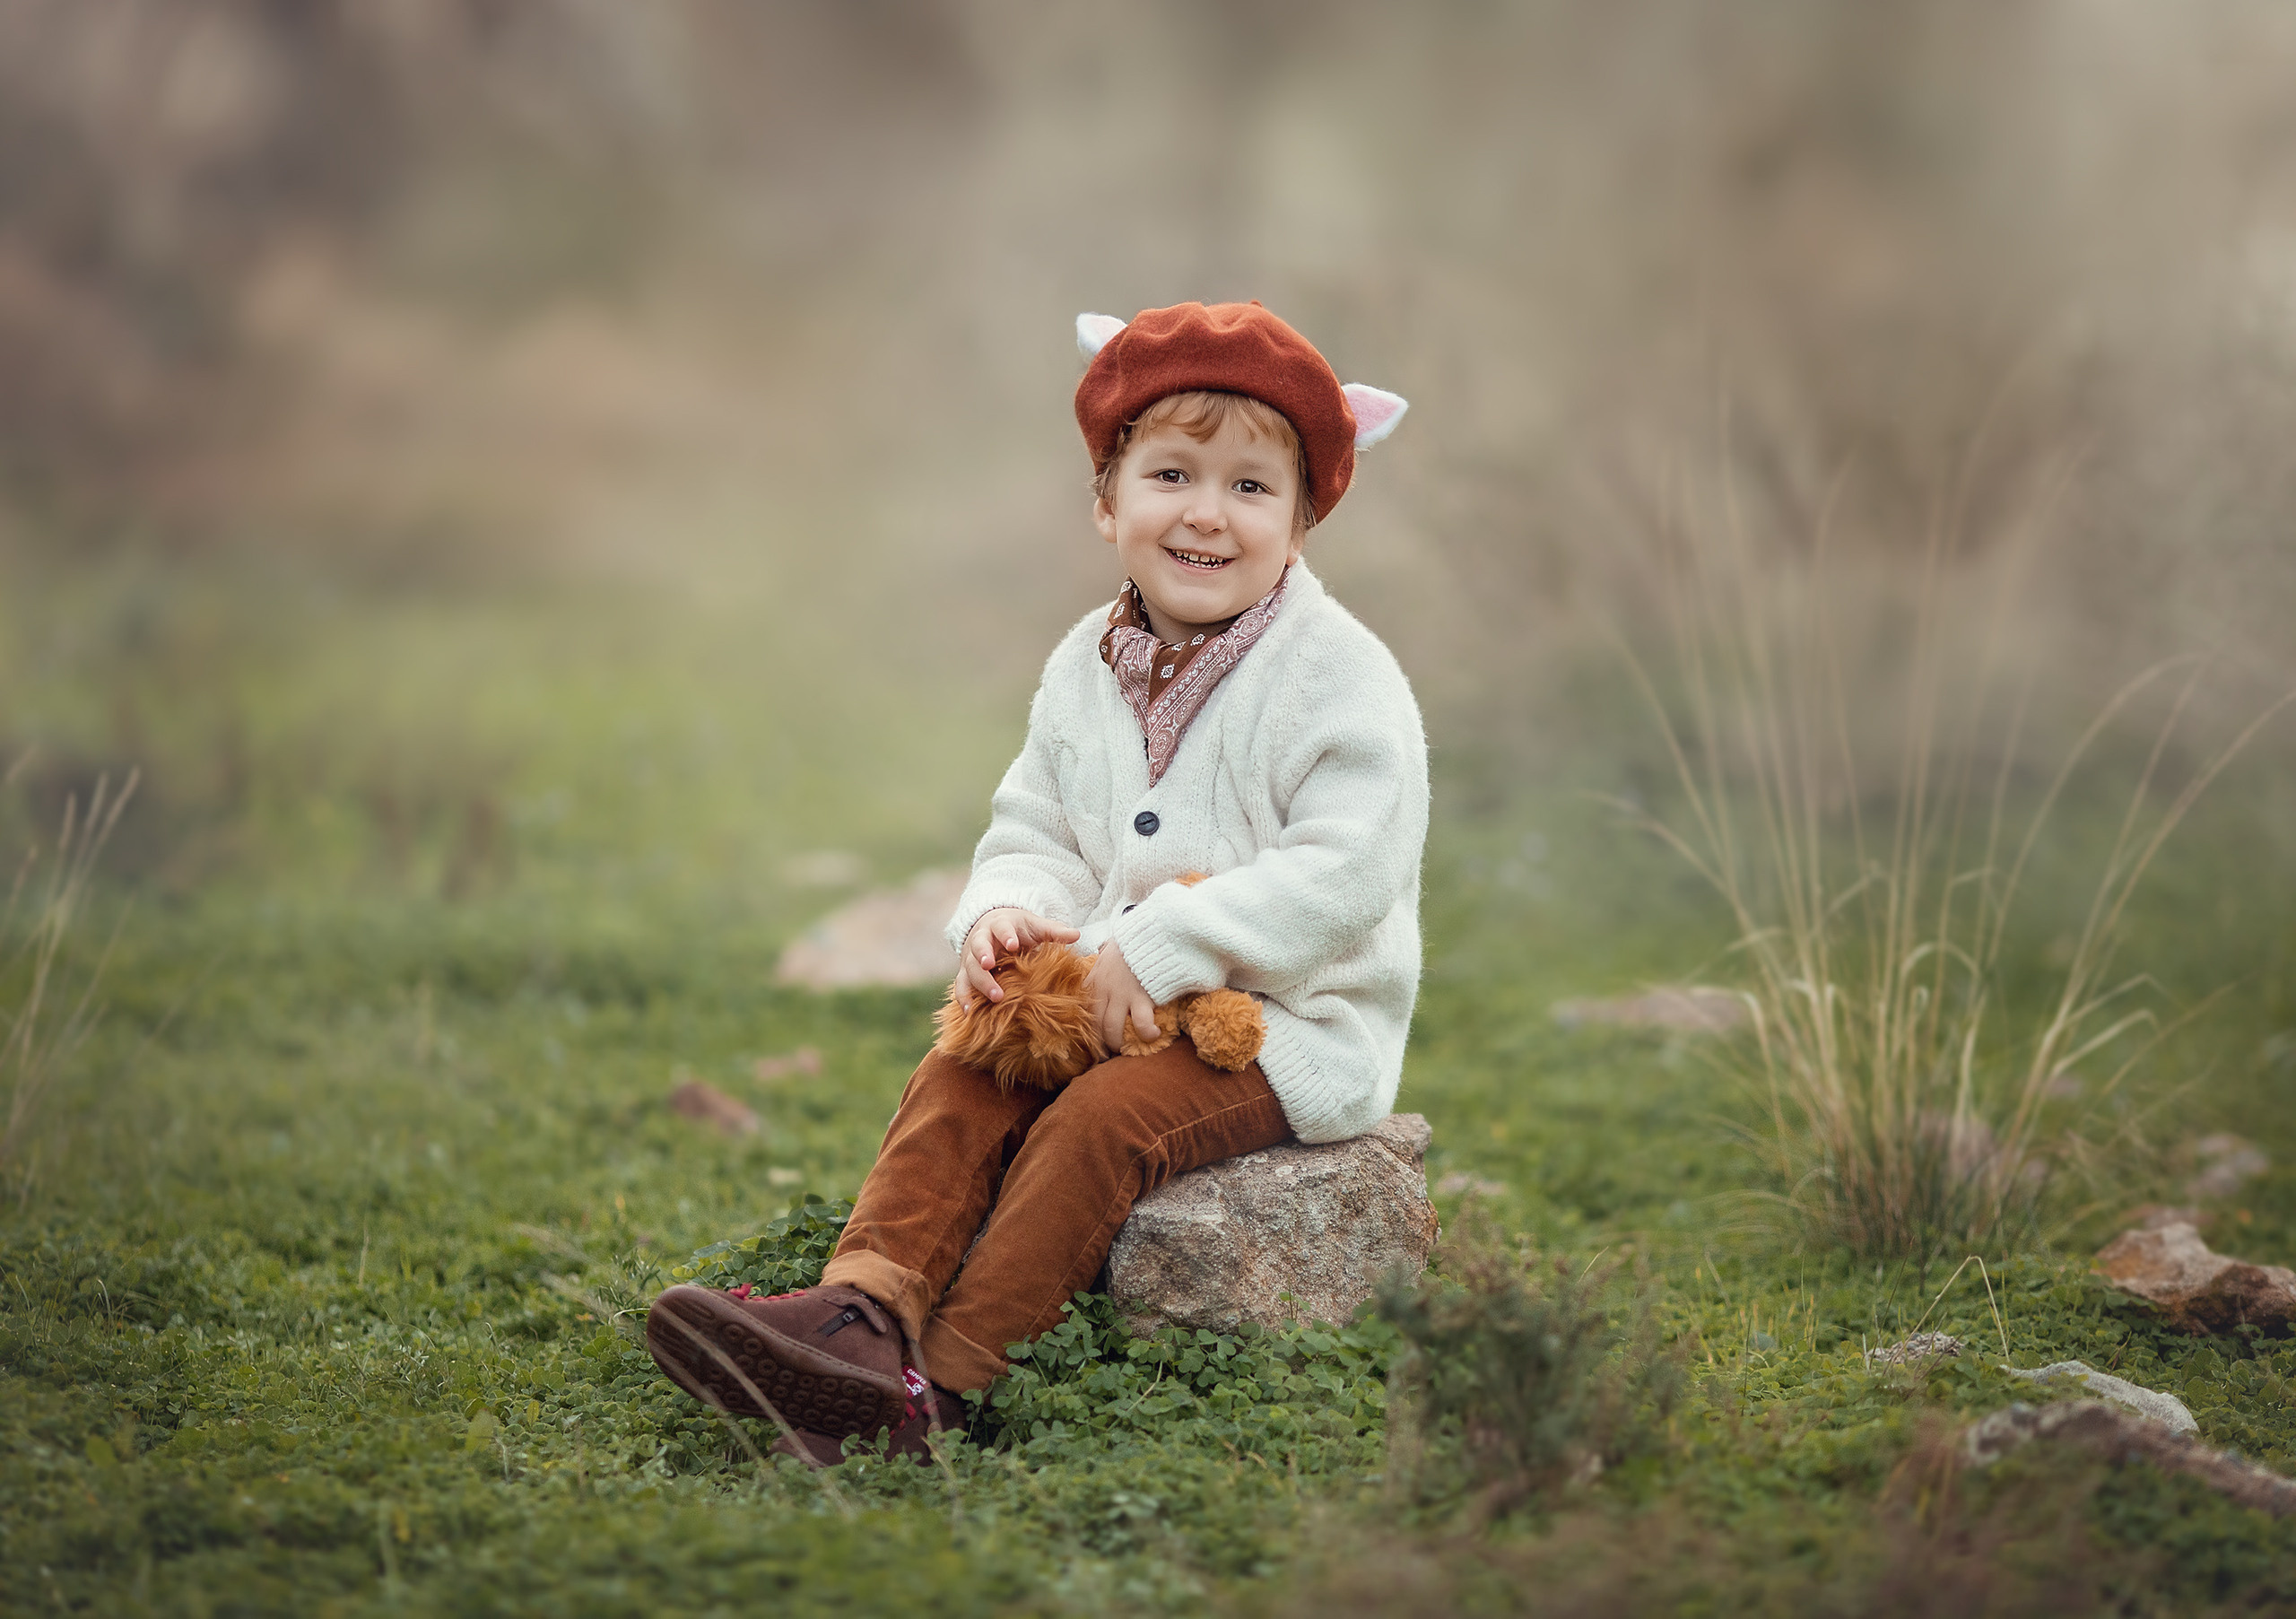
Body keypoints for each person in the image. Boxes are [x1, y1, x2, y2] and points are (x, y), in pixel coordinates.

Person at [645, 300, 1427, 1465]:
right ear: (1107, 505)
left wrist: (1166, 942)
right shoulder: (1083, 665)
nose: (1208, 512)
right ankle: (862, 1309)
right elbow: (1038, 823)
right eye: (1171, 473)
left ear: (1303, 522)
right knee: (970, 1060)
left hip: (1276, 1024)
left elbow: (1345, 872)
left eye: (1253, 488)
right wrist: (1007, 908)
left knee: (1098, 1123)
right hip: (1100, 989)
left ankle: (938, 1389)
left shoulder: (1341, 678)